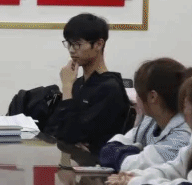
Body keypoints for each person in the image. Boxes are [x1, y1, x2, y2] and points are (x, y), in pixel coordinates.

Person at [43, 13, 131, 154]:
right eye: (69, 44)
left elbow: (70, 135)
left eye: (77, 44)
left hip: (97, 163)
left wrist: (66, 87)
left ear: (99, 44)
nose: (71, 50)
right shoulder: (78, 83)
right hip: (75, 160)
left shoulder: (109, 88)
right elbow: (52, 131)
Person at [99, 58, 192, 172]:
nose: (136, 98)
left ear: (152, 97)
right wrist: (137, 151)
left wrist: (133, 150)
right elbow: (107, 151)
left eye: (138, 92)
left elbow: (132, 166)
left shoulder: (184, 135)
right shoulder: (150, 120)